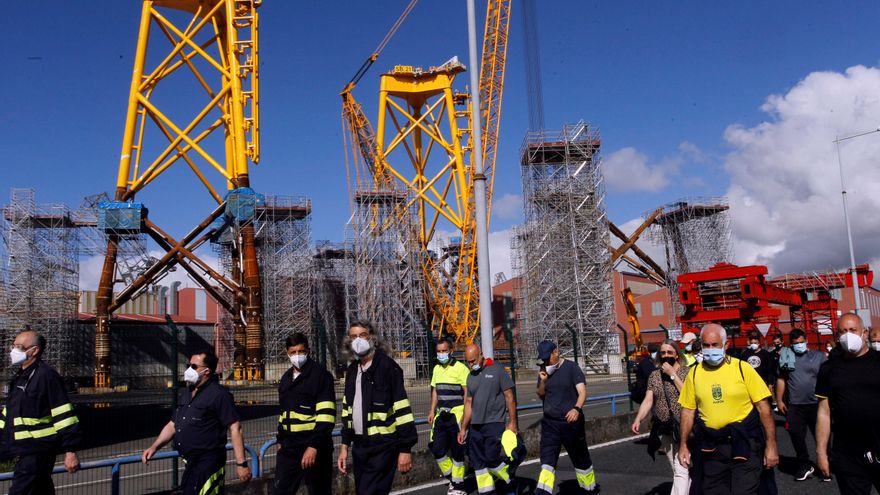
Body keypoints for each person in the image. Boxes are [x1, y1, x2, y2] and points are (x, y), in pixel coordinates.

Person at [678, 324, 779, 495]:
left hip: (745, 443)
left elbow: (764, 409)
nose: (710, 349)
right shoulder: (694, 374)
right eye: (706, 345)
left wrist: (771, 446)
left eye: (715, 345)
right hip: (712, 448)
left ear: (725, 345)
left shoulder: (743, 368)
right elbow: (687, 411)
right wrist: (683, 445)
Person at [142, 350, 251, 495]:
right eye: (188, 365)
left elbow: (235, 428)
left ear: (207, 371)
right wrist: (154, 447)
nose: (188, 370)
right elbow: (173, 424)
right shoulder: (187, 393)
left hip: (208, 463)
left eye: (194, 366)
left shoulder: (219, 395)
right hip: (190, 463)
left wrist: (241, 463)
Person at [338, 321, 416, 494]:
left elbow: (402, 409)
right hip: (360, 445)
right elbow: (347, 412)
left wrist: (405, 449)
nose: (358, 340)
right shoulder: (352, 371)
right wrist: (344, 446)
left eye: (362, 335)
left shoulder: (388, 367)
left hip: (383, 444)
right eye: (353, 336)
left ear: (372, 337)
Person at [0, 330, 82, 494]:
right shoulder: (21, 377)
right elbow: (8, 414)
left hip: (36, 450)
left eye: (18, 347)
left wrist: (70, 451)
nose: (13, 351)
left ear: (34, 350)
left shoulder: (46, 376)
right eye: (13, 346)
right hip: (22, 450)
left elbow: (64, 414)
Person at [815, 313, 880, 493]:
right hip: (848, 452)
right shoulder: (828, 369)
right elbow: (824, 412)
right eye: (843, 331)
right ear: (837, 336)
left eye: (853, 330)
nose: (848, 335)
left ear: (865, 333)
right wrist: (821, 452)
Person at [274, 333, 336, 495]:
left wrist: (313, 446)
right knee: (281, 490)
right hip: (289, 446)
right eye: (293, 352)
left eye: (301, 351)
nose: (297, 356)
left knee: (319, 490)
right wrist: (280, 440)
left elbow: (326, 416)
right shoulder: (286, 379)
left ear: (308, 351)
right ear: (287, 353)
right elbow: (284, 414)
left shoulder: (320, 376)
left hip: (314, 445)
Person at [534, 341, 596, 495]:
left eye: (548, 358)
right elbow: (540, 394)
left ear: (556, 352)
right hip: (550, 423)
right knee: (547, 462)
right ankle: (542, 492)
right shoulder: (544, 370)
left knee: (579, 457)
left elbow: (582, 392)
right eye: (543, 360)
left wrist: (576, 408)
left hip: (571, 423)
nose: (546, 362)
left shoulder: (571, 368)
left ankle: (588, 489)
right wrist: (543, 381)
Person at [631, 339, 690, 495]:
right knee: (677, 466)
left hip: (684, 425)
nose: (665, 355)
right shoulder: (654, 375)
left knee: (681, 468)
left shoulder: (687, 372)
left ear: (677, 354)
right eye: (663, 353)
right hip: (665, 426)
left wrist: (672, 374)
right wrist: (638, 419)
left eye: (669, 352)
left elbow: (688, 395)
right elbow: (648, 400)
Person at [458, 344, 518, 495]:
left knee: (491, 458)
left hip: (494, 423)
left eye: (473, 360)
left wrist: (512, 423)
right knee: (478, 464)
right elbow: (469, 403)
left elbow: (510, 397)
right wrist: (463, 428)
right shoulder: (470, 376)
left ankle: (509, 478)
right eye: (468, 362)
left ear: (481, 355)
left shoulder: (497, 370)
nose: (471, 364)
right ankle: (487, 492)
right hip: (476, 426)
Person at [775, 328, 826, 481]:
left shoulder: (818, 356)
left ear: (807, 341)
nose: (799, 345)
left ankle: (826, 465)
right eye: (796, 343)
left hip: (816, 404)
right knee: (796, 436)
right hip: (795, 406)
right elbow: (781, 379)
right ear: (790, 344)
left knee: (822, 437)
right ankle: (804, 464)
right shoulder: (786, 357)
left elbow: (827, 378)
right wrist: (779, 400)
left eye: (802, 342)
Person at [427, 337, 469, 495]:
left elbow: (467, 393)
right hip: (441, 415)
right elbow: (435, 391)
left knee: (457, 451)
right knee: (436, 448)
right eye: (439, 351)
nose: (441, 354)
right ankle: (454, 479)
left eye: (444, 351)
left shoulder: (461, 368)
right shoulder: (437, 369)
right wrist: (432, 410)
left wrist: (465, 414)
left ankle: (459, 487)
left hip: (456, 416)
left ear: (451, 351)